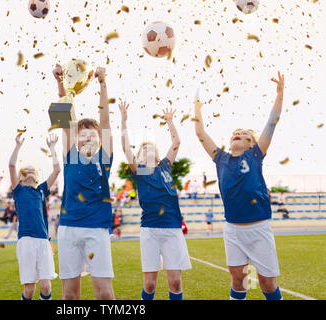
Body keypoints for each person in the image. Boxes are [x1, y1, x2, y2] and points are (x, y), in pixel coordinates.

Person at [194, 72, 285, 300]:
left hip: (258, 228)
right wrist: (197, 107)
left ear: (252, 143)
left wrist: (280, 94)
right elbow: (199, 133)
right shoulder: (221, 158)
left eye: (244, 134)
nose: (238, 134)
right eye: (235, 133)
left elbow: (272, 122)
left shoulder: (256, 155)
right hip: (233, 230)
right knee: (238, 280)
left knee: (267, 284)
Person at [54, 63, 115, 300]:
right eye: (82, 133)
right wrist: (60, 83)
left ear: (100, 140)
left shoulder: (104, 157)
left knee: (105, 294)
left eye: (93, 133)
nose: (87, 136)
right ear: (76, 140)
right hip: (68, 228)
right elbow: (64, 115)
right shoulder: (70, 155)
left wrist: (102, 83)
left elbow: (106, 120)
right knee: (69, 296)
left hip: (96, 230)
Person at [119, 101, 191, 300]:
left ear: (158, 156)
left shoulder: (165, 167)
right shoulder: (139, 171)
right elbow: (125, 147)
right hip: (150, 229)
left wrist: (170, 121)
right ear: (139, 158)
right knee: (150, 285)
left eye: (150, 148)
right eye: (143, 149)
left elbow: (176, 142)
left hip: (172, 228)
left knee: (175, 283)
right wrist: (124, 120)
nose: (147, 150)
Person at [9, 132, 60, 300]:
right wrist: (17, 146)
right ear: (21, 177)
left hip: (43, 240)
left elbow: (57, 170)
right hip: (26, 241)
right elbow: (11, 165)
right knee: (29, 290)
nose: (30, 171)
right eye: (26, 170)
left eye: (33, 170)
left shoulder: (40, 190)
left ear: (36, 177)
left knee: (45, 286)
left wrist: (52, 148)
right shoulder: (19, 190)